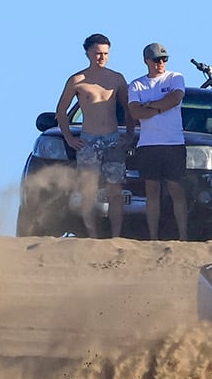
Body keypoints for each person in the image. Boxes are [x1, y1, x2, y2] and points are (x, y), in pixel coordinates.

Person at [54, 33, 129, 238]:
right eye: (97, 53)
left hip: (112, 140)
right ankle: (92, 235)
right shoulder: (77, 80)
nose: (101, 57)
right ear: (88, 52)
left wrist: (129, 135)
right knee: (89, 192)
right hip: (88, 141)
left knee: (115, 191)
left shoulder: (116, 79)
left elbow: (129, 109)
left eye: (105, 54)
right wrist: (69, 138)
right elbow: (61, 111)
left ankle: (116, 236)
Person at [128, 43, 189, 241]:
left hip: (173, 143)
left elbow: (175, 99)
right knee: (151, 190)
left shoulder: (174, 77)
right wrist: (157, 107)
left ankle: (183, 236)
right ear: (147, 61)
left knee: (176, 189)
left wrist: (152, 107)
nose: (160, 63)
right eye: (156, 60)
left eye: (163, 59)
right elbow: (136, 112)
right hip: (148, 144)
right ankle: (153, 236)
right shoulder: (137, 85)